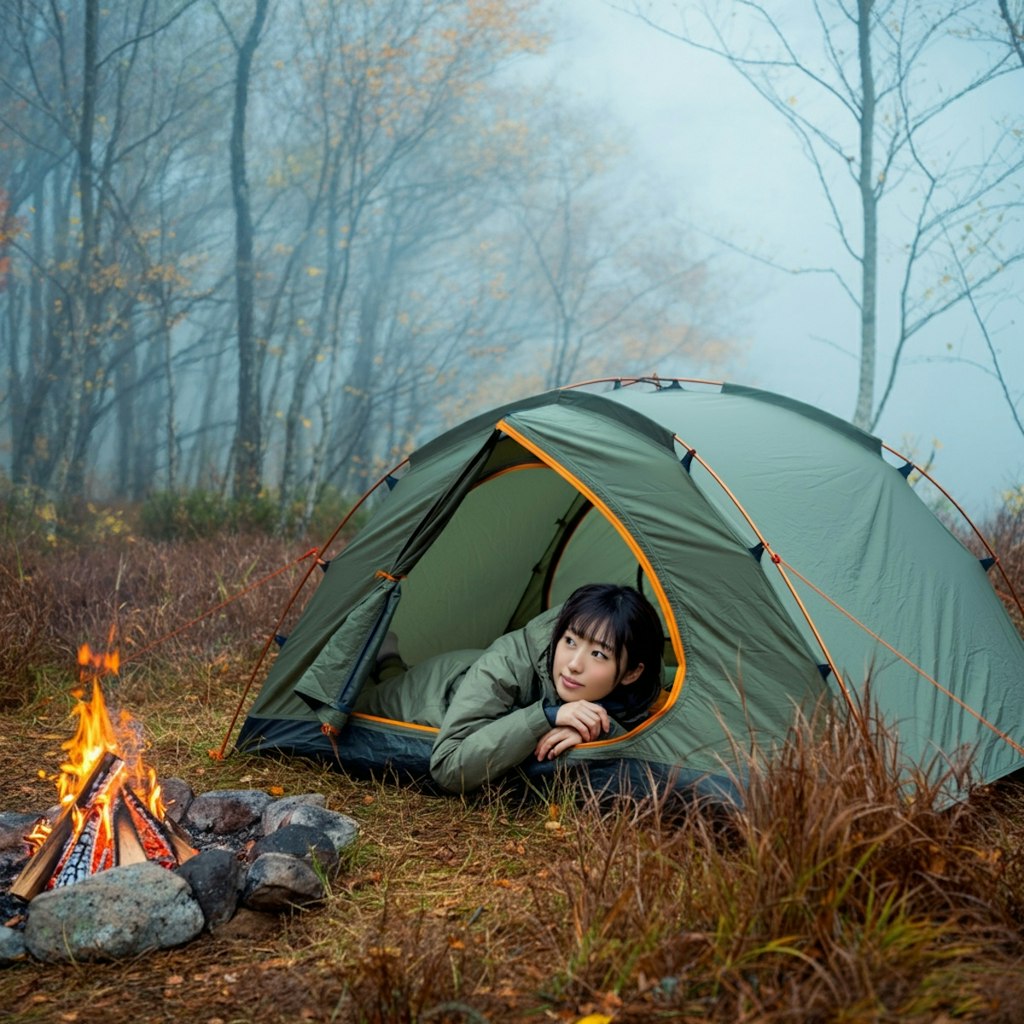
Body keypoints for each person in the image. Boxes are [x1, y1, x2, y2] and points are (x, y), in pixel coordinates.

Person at [354, 583, 664, 793]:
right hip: (433, 693)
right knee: (364, 697)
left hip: (471, 670)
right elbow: (448, 767)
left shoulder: (641, 689)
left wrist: (594, 729)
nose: (573, 664)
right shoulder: (507, 664)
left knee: (393, 673)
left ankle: (390, 658)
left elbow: (646, 746)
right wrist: (549, 716)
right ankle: (379, 656)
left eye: (598, 654)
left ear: (632, 673)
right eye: (570, 641)